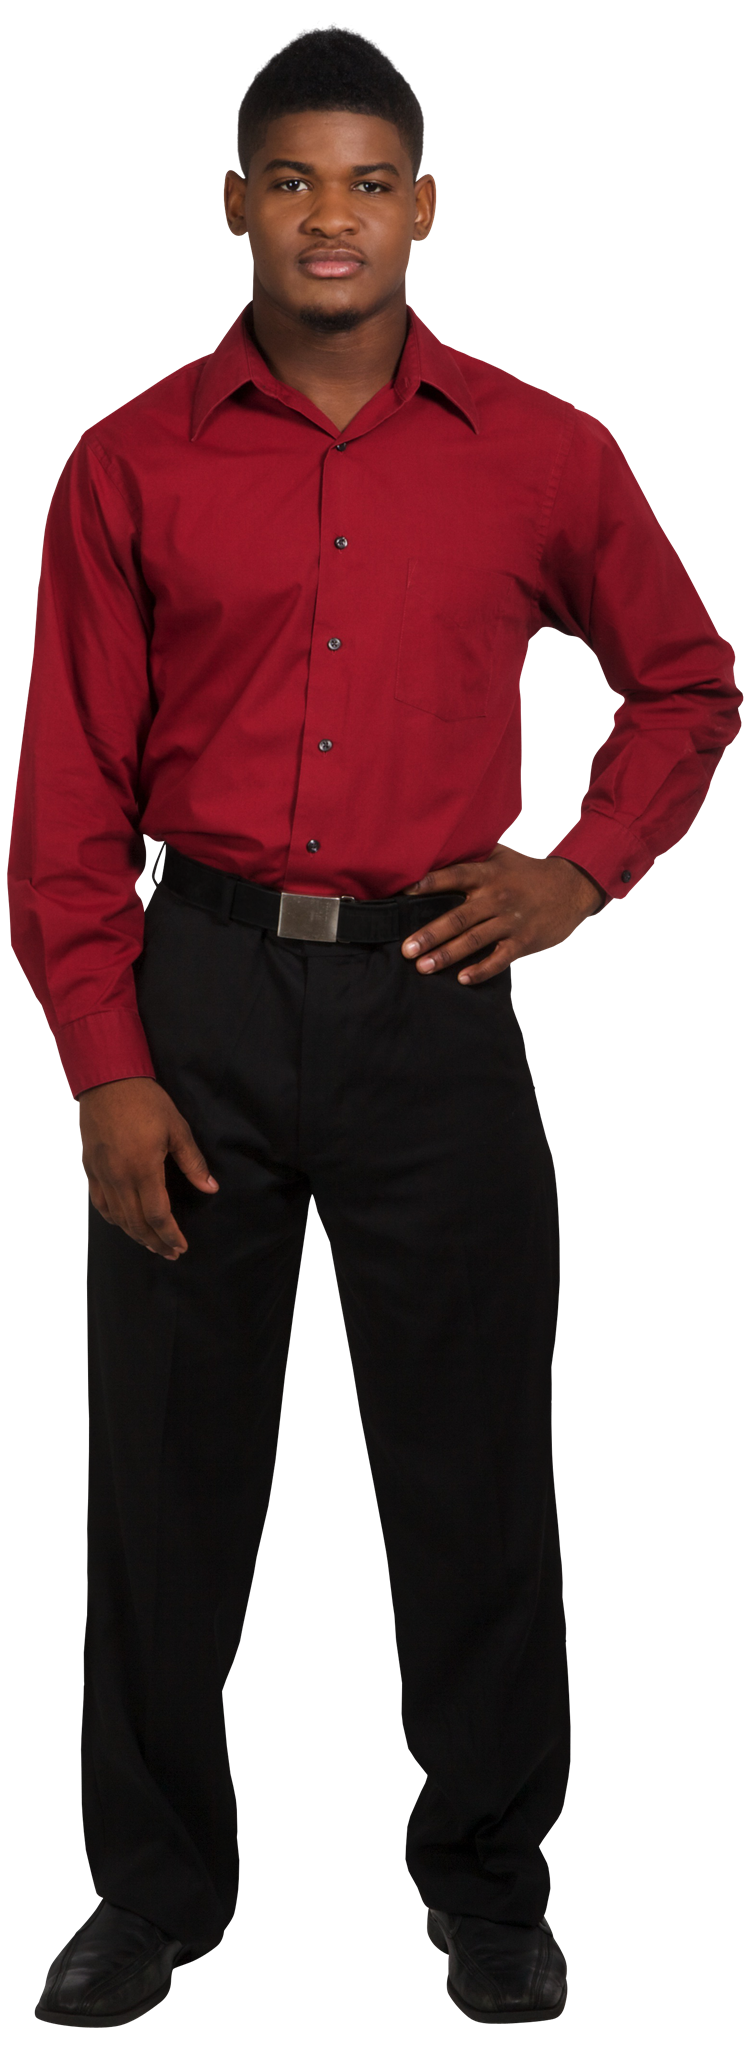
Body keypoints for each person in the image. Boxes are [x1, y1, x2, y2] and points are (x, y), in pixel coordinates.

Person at [11, 25, 739, 2032]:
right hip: (195, 994)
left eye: (365, 182)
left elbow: (685, 683)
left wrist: (580, 872)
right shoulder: (127, 460)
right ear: (234, 205)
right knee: (164, 1479)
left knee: (474, 1470)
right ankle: (149, 1888)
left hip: (439, 999)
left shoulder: (547, 450)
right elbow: (67, 791)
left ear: (423, 208)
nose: (327, 217)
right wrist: (105, 1063)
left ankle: (489, 1884)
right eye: (290, 180)